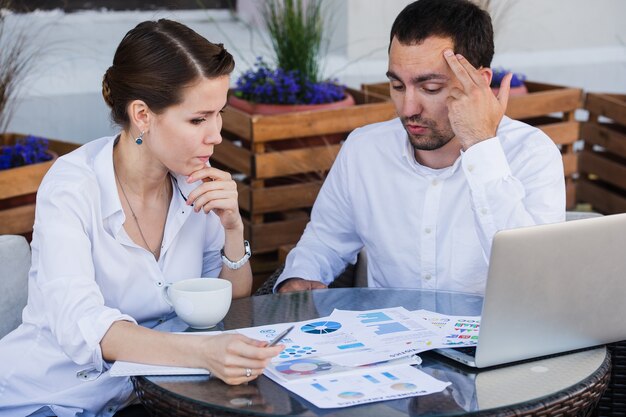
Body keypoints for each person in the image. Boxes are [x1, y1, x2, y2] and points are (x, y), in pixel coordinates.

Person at [0, 19, 284, 417]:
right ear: (143, 115)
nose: (216, 135)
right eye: (198, 119)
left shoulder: (194, 182)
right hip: (52, 398)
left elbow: (222, 304)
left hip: (148, 397)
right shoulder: (71, 187)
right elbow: (84, 326)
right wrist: (202, 353)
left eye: (219, 114)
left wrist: (233, 228)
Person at [276, 0, 565, 294]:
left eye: (430, 88)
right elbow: (325, 241)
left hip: (493, 336)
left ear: (480, 83)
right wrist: (301, 277)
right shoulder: (364, 150)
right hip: (386, 335)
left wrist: (480, 144)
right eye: (398, 86)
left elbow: (534, 279)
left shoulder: (531, 154)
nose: (408, 108)